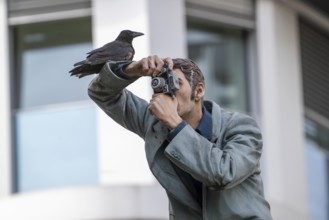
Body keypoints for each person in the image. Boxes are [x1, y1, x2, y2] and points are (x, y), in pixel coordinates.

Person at [88, 55, 272, 220]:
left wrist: (175, 124)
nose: (167, 93)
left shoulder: (241, 127)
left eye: (175, 83)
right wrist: (130, 70)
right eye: (161, 84)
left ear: (198, 91)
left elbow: (224, 173)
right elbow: (101, 93)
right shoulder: (154, 124)